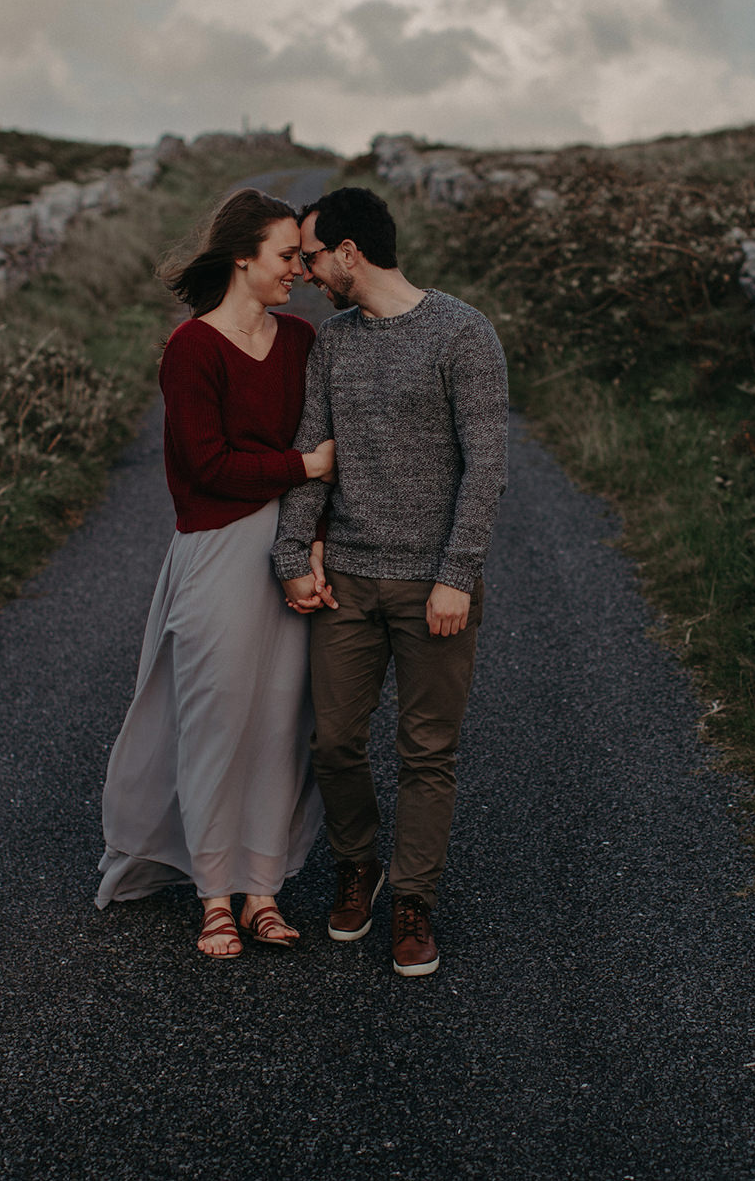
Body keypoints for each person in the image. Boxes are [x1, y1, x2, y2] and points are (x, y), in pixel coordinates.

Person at [272, 186, 508, 978]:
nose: (304, 270)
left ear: (348, 254)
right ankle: (358, 865)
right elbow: (314, 450)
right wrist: (292, 550)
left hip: (433, 587)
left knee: (426, 751)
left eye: (309, 256)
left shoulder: (463, 334)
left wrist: (457, 575)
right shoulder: (333, 344)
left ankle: (414, 902)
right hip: (347, 580)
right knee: (334, 742)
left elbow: (486, 468)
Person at [96, 188, 333, 959]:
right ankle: (212, 897)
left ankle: (263, 891)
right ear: (242, 256)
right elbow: (205, 465)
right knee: (214, 722)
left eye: (302, 256)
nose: (299, 268)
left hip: (289, 557)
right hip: (216, 552)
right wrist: (300, 465)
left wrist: (314, 539)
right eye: (286, 255)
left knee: (278, 724)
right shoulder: (192, 349)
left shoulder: (300, 342)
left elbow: (323, 448)